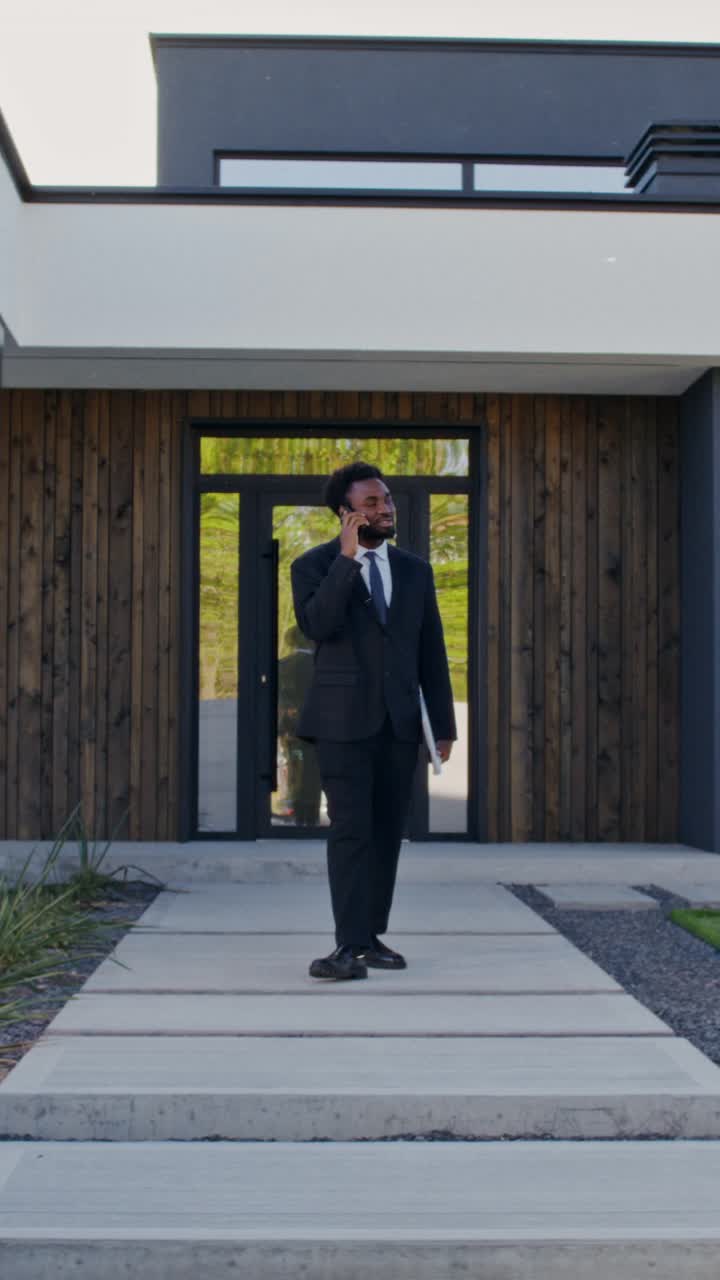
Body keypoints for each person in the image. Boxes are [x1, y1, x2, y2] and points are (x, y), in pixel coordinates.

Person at [291, 462, 456, 980]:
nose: (385, 509)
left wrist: (444, 725)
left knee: (386, 833)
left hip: (400, 723)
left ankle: (371, 938)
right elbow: (317, 623)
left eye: (386, 500)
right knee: (351, 831)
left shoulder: (414, 570)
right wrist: (347, 561)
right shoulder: (313, 565)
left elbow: (432, 649)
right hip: (342, 723)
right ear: (345, 514)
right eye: (371, 503)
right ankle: (347, 945)